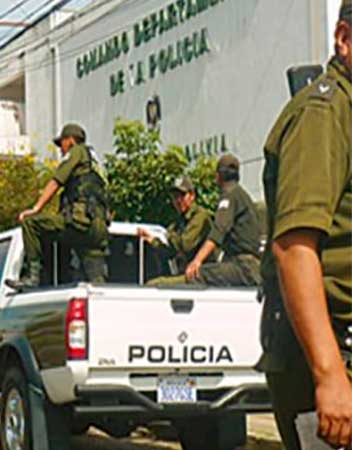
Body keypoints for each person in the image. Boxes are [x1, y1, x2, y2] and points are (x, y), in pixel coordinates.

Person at [257, 4, 352, 449]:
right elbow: (295, 247)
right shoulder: (323, 114)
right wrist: (330, 375)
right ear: (344, 40)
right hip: (331, 356)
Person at [14, 123, 109, 287]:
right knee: (96, 282)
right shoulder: (95, 162)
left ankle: (33, 276)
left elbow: (56, 181)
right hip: (98, 228)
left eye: (62, 144)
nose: (61, 149)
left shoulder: (77, 151)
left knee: (31, 224)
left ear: (70, 140)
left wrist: (36, 208)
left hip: (79, 222)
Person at [173, 154, 262, 287]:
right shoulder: (241, 195)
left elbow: (218, 231)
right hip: (248, 266)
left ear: (218, 176)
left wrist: (196, 261)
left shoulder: (230, 195)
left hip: (243, 267)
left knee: (197, 275)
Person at [141, 177, 216, 284]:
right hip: (188, 274)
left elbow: (185, 245)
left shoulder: (200, 216)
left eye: (182, 196)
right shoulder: (180, 221)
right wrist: (153, 240)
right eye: (175, 197)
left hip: (202, 276)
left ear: (192, 196)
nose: (178, 200)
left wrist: (169, 234)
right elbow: (171, 252)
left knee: (154, 286)